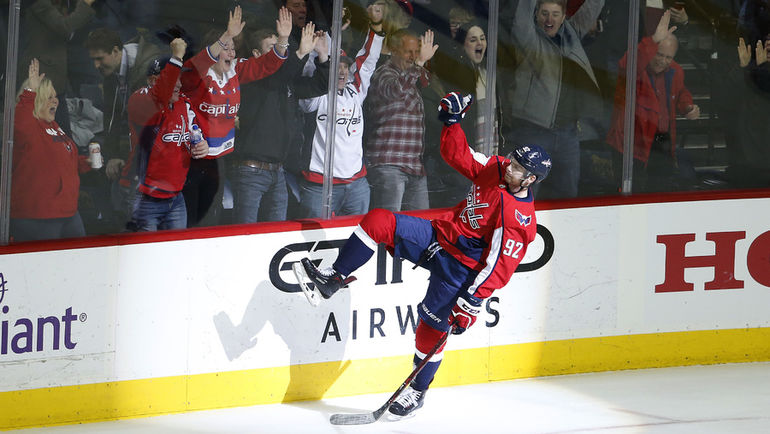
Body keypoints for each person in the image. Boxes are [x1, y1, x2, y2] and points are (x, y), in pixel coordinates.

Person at [296, 92, 552, 418]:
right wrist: (452, 123)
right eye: (512, 161)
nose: (509, 167)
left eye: (518, 168)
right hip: (439, 236)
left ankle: (417, 391)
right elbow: (457, 155)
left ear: (531, 179)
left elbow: (499, 266)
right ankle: (333, 279)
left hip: (461, 270)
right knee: (378, 221)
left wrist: (473, 301)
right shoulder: (496, 168)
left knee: (429, 327)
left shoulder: (519, 219)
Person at [180, 6, 289, 227]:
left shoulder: (234, 70)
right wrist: (227, 35)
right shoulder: (197, 74)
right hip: (191, 160)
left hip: (219, 159)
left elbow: (266, 66)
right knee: (192, 218)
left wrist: (283, 40)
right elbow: (200, 62)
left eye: (233, 49)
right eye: (226, 48)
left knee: (212, 217)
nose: (232, 53)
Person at [500, 0, 604, 199]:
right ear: (536, 15)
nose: (549, 19)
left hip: (568, 133)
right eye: (544, 13)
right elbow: (522, 17)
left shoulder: (571, 33)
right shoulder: (528, 38)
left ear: (564, 17)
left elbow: (592, 7)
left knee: (568, 194)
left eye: (555, 14)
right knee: (525, 195)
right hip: (533, 131)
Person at [297, 4, 385, 218]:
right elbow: (311, 77)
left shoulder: (356, 89)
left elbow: (368, 59)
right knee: (314, 246)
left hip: (357, 183)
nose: (342, 71)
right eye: (337, 66)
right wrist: (318, 54)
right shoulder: (317, 96)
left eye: (346, 66)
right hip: (320, 185)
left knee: (355, 240)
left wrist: (376, 26)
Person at [232, 22, 320, 223]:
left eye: (280, 48)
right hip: (250, 171)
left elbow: (318, 85)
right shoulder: (250, 77)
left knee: (277, 233)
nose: (279, 53)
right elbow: (276, 76)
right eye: (271, 48)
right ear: (255, 53)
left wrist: (321, 57)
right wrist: (299, 53)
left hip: (278, 171)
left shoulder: (283, 81)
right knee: (243, 235)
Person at [606, 11, 700, 193]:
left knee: (660, 192)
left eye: (668, 57)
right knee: (633, 197)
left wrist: (688, 106)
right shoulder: (636, 68)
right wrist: (654, 38)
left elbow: (681, 93)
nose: (663, 61)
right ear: (652, 50)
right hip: (631, 144)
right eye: (659, 55)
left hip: (661, 143)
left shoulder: (676, 71)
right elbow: (628, 64)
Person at [125, 39, 209, 231]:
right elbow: (158, 98)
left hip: (176, 196)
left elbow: (194, 137)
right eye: (173, 78)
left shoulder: (183, 104)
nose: (179, 84)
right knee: (146, 255)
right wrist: (177, 57)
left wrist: (201, 146)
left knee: (176, 254)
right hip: (145, 196)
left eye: (180, 78)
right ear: (153, 80)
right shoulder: (140, 99)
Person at [84, 26, 163, 229]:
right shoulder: (112, 72)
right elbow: (112, 119)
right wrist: (113, 155)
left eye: (100, 58)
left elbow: (147, 123)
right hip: (132, 152)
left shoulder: (150, 66)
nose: (96, 65)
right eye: (93, 59)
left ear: (117, 51)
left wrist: (124, 157)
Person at [10, 59, 91, 242]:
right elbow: (20, 120)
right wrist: (30, 90)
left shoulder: (54, 126)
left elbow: (60, 162)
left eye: (55, 96)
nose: (55, 100)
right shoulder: (28, 126)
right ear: (36, 100)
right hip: (38, 215)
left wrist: (84, 163)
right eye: (48, 97)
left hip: (68, 211)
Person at [365, 28, 438, 212]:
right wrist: (420, 62)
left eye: (416, 52)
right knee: (387, 227)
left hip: (415, 166)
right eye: (409, 51)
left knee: (418, 226)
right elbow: (395, 91)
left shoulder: (412, 79)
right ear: (395, 51)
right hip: (389, 166)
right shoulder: (383, 73)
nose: (413, 56)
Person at [19, 0, 97, 136]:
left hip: (57, 81)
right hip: (42, 80)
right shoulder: (40, 4)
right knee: (47, 135)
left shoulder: (63, 5)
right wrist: (85, 3)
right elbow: (65, 26)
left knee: (63, 136)